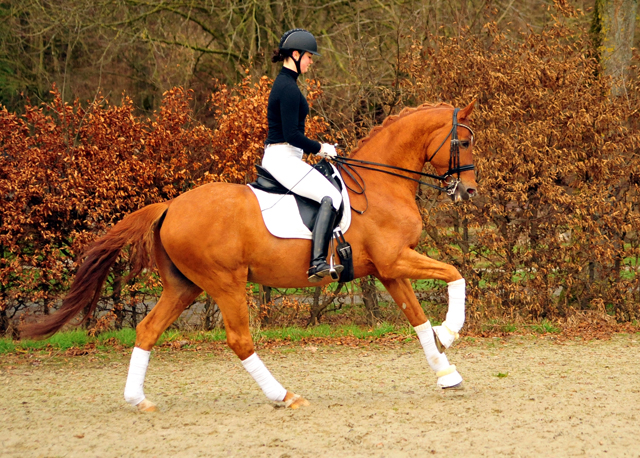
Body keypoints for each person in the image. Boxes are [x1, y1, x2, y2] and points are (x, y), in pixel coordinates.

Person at [262, 28, 343, 283]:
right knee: (331, 196)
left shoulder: (287, 84)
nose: (311, 61)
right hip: (282, 159)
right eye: (309, 56)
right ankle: (317, 262)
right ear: (295, 55)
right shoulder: (287, 88)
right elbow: (292, 135)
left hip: (288, 157)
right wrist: (322, 148)